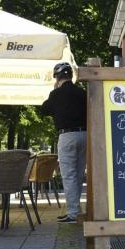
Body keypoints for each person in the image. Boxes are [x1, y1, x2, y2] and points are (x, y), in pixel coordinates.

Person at [41, 62, 87, 223]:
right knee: (79, 174)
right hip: (85, 135)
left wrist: (54, 91)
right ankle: (76, 210)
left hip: (67, 136)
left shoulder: (56, 94)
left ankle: (73, 213)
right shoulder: (82, 93)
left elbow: (44, 110)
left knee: (69, 176)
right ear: (71, 76)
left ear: (57, 78)